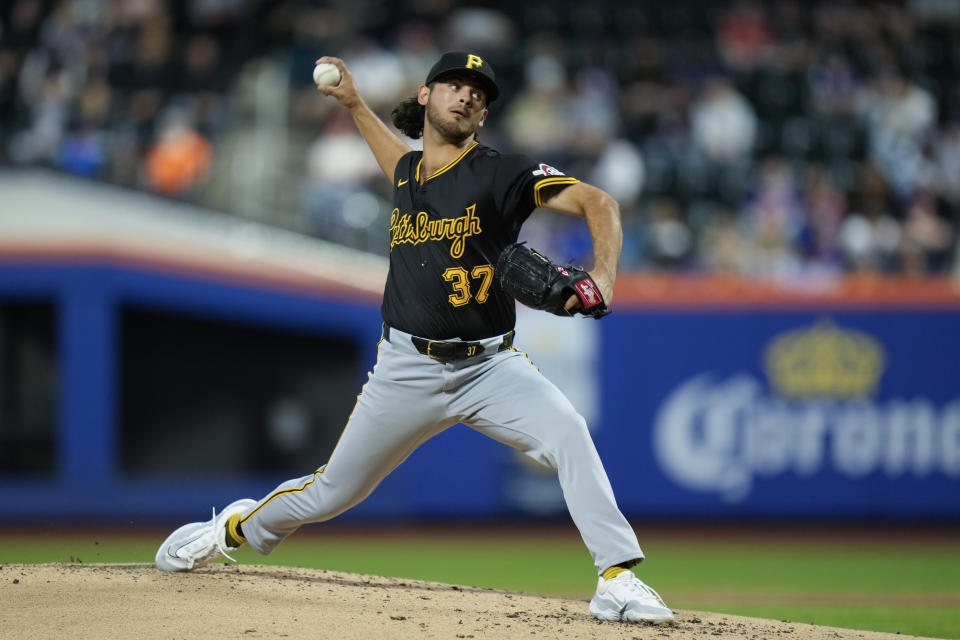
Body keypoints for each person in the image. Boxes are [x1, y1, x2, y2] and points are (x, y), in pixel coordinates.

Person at [155, 51, 674, 625]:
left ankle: (617, 577)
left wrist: (603, 274)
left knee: (569, 432)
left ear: (483, 114)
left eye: (479, 92)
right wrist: (354, 105)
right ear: (426, 96)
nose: (469, 95)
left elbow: (599, 202)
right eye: (455, 84)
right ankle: (230, 528)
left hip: (490, 368)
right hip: (407, 367)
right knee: (332, 494)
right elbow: (395, 161)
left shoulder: (502, 173)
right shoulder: (407, 174)